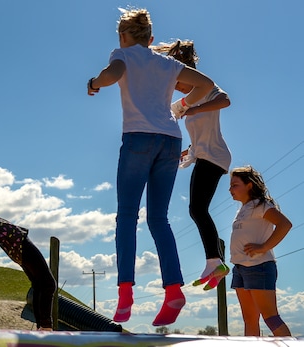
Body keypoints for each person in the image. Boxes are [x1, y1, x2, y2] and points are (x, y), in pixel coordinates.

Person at [86, 8, 214, 326]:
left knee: (127, 216)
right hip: (170, 140)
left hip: (139, 139)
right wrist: (181, 107)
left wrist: (94, 82)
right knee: (159, 219)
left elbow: (112, 73)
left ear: (123, 37)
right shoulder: (168, 63)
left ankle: (126, 294)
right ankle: (173, 290)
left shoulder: (123, 54)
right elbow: (207, 83)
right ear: (151, 39)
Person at [154, 40, 232, 291]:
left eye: (178, 83)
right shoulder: (188, 101)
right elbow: (195, 132)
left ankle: (214, 260)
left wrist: (195, 110)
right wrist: (188, 150)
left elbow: (225, 100)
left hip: (215, 156)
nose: (177, 89)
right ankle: (215, 260)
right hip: (205, 154)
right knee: (197, 209)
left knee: (197, 209)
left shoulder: (207, 88)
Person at [229, 166, 292, 336]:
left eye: (235, 185)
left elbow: (285, 224)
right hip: (240, 268)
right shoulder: (242, 210)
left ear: (249, 185)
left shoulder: (261, 205)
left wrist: (264, 247)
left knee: (271, 318)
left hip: (259, 266)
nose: (230, 189)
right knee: (249, 320)